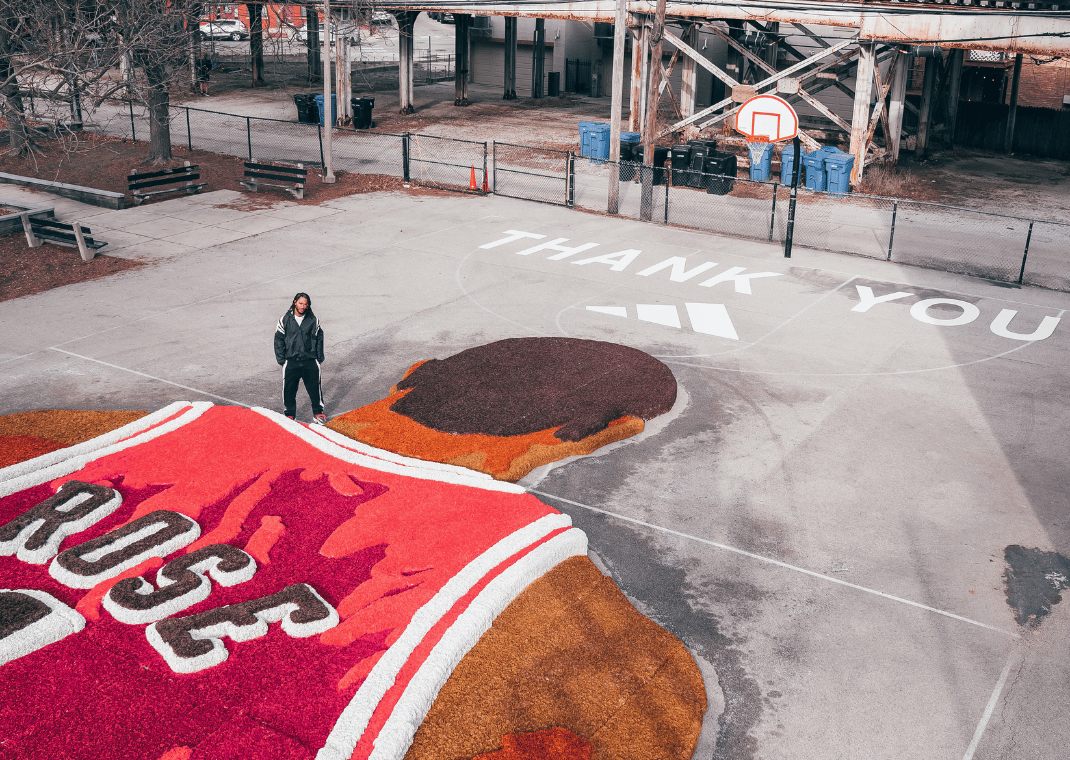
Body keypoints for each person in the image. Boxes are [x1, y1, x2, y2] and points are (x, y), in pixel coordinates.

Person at [274, 292, 325, 424]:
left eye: (305, 304)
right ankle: (290, 414)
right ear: (295, 302)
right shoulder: (284, 319)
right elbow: (278, 340)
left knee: (315, 389)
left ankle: (318, 413)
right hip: (291, 361)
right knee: (289, 390)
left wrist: (319, 358)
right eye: (301, 303)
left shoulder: (313, 320)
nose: (303, 306)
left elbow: (319, 337)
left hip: (310, 361)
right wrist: (281, 360)